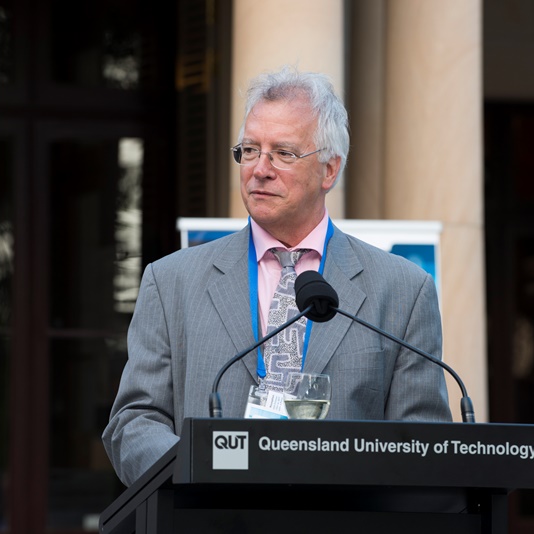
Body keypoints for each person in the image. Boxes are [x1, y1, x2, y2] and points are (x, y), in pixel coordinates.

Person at [102, 66, 451, 486]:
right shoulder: (171, 281)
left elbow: (424, 444)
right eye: (249, 150)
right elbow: (135, 421)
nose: (259, 169)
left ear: (329, 170)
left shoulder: (402, 291)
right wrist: (196, 473)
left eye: (283, 153)